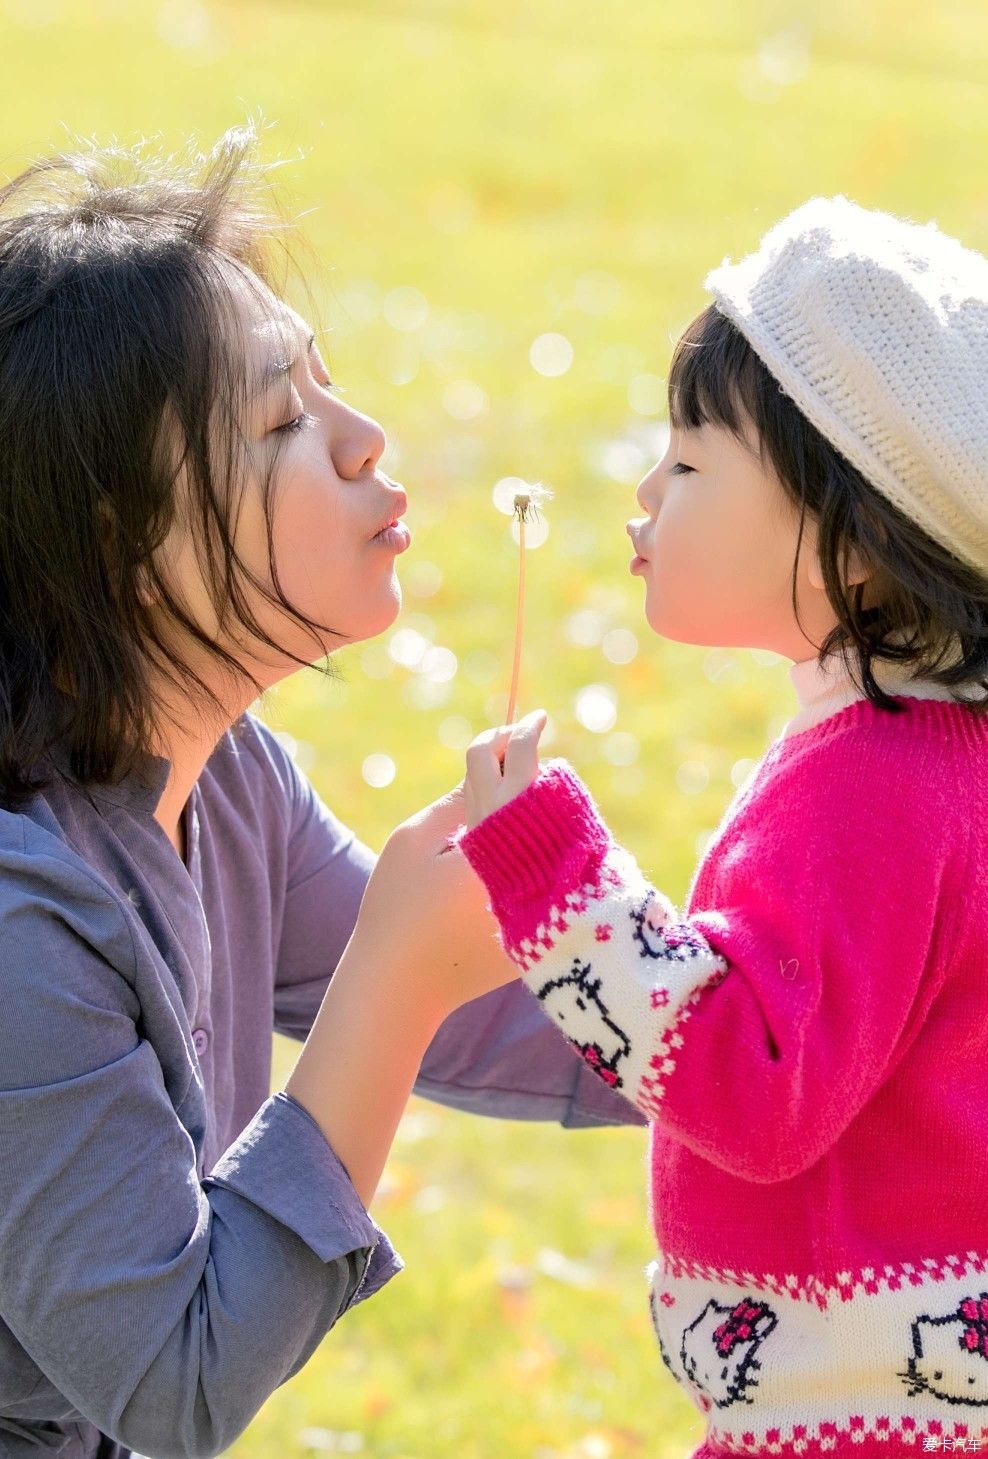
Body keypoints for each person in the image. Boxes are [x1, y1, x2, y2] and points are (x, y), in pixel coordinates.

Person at [0, 128, 642, 1459]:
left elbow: (519, 1018)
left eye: (329, 386)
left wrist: (797, 1015)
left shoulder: (227, 784)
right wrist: (396, 974)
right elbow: (179, 1377)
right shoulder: (18, 930)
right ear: (120, 544)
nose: (364, 440)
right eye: (282, 418)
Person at [448, 196, 988, 1456]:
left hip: (860, 1412)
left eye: (688, 462)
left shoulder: (869, 785)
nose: (644, 488)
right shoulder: (931, 753)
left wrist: (550, 868)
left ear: (857, 546)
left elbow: (754, 1085)